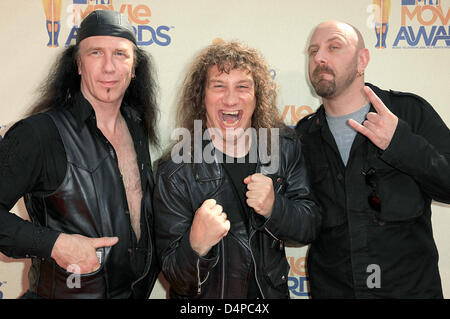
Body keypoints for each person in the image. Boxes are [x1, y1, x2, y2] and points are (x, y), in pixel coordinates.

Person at [0, 10, 160, 298]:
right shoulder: (39, 134)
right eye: (96, 53)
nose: (109, 67)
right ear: (78, 64)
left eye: (121, 54)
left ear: (134, 67)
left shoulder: (137, 127)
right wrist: (54, 244)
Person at [153, 41, 321, 299]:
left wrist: (276, 208)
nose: (231, 99)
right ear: (202, 96)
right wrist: (195, 245)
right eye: (218, 86)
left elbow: (309, 227)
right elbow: (176, 277)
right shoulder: (175, 170)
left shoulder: (284, 147)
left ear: (258, 96)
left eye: (242, 87)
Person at [295, 20, 450, 298]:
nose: (320, 57)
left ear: (362, 60)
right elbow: (297, 228)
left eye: (334, 47)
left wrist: (401, 143)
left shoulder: (409, 114)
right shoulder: (302, 137)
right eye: (313, 51)